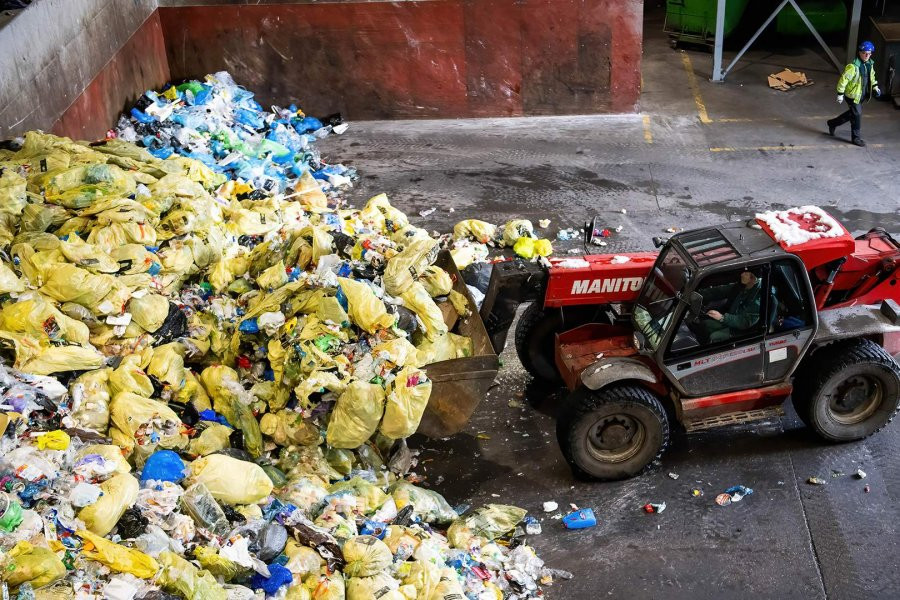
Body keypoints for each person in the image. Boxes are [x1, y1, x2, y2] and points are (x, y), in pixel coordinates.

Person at [827, 41, 881, 147]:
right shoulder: (853, 67)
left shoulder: (870, 64)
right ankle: (856, 138)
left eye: (869, 53)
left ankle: (832, 123)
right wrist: (840, 93)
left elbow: (872, 77)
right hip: (852, 96)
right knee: (857, 115)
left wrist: (875, 87)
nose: (867, 55)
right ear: (860, 52)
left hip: (862, 95)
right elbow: (843, 80)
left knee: (853, 113)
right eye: (865, 53)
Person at [697, 270, 761, 344]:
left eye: (746, 273)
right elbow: (719, 291)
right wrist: (698, 293)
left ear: (753, 278)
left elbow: (744, 322)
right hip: (732, 321)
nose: (742, 274)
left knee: (714, 337)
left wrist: (722, 318)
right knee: (705, 324)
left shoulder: (758, 297)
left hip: (742, 330)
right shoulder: (742, 286)